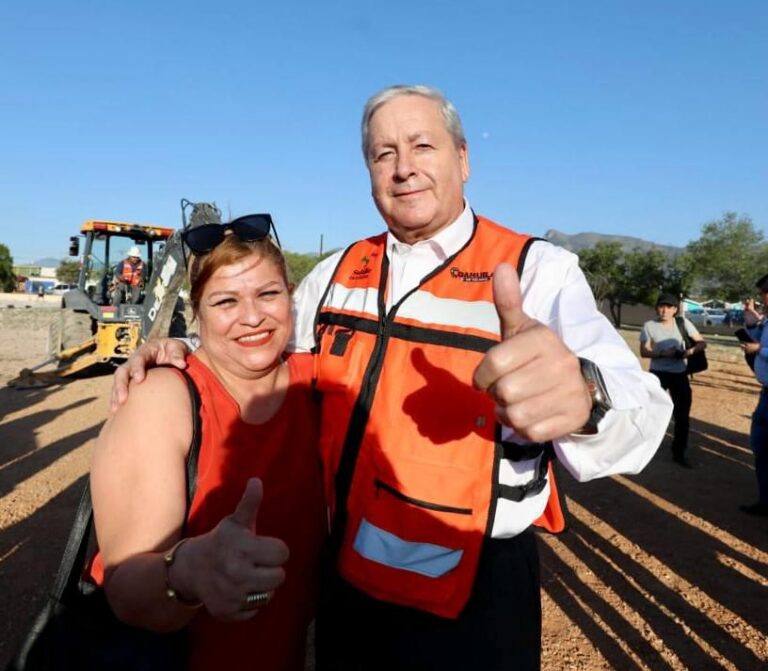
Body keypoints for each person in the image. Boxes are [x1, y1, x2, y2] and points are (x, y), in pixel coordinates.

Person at [113, 84, 673, 670]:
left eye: (422, 145)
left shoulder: (537, 272)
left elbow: (645, 410)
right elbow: (261, 345)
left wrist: (585, 395)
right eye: (383, 154)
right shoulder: (333, 275)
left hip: (477, 591)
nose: (403, 168)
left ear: (463, 159)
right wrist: (182, 349)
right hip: (348, 582)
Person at [91, 223, 325, 671]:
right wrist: (188, 572)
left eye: (268, 294)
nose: (252, 317)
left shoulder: (320, 382)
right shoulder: (163, 399)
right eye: (226, 301)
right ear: (196, 311)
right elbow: (126, 590)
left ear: (290, 296)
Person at [639, 293, 706, 468]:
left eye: (669, 307)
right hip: (657, 374)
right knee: (651, 413)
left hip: (679, 374)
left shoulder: (683, 323)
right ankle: (644, 450)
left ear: (675, 310)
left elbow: (701, 343)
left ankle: (679, 452)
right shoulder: (649, 326)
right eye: (662, 306)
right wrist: (662, 354)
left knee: (682, 416)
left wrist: (687, 352)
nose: (665, 310)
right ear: (656, 308)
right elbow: (644, 351)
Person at [739, 273, 768, 517]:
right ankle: (765, 501)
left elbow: (761, 347)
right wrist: (750, 324)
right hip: (766, 394)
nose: (763, 298)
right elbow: (757, 340)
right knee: (760, 447)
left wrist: (760, 349)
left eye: (765, 293)